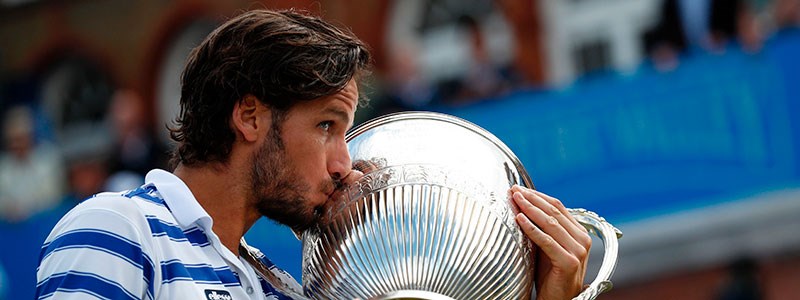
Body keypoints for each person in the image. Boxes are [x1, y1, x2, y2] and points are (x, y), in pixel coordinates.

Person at [35, 8, 590, 300]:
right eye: (326, 125)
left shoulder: (284, 288)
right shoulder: (118, 228)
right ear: (249, 115)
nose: (343, 162)